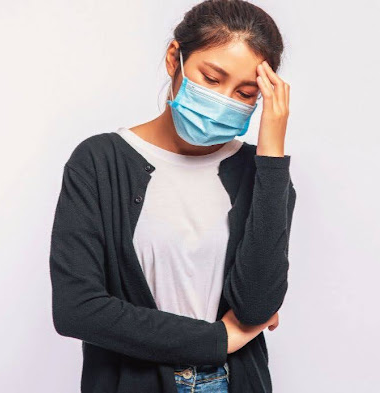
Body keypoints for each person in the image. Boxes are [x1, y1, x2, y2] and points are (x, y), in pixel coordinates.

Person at [49, 1, 296, 392]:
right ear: (174, 58)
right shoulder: (100, 161)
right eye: (212, 79)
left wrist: (271, 154)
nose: (224, 101)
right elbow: (77, 310)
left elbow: (256, 306)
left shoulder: (261, 173)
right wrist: (217, 340)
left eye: (246, 93)